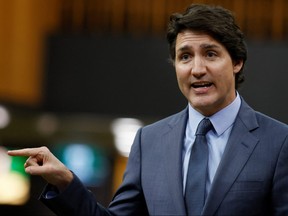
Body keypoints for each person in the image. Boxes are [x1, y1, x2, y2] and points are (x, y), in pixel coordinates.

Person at [7, 3, 288, 216]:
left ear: (237, 61)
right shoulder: (149, 141)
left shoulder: (278, 142)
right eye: (185, 57)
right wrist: (67, 183)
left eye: (211, 54)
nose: (197, 69)